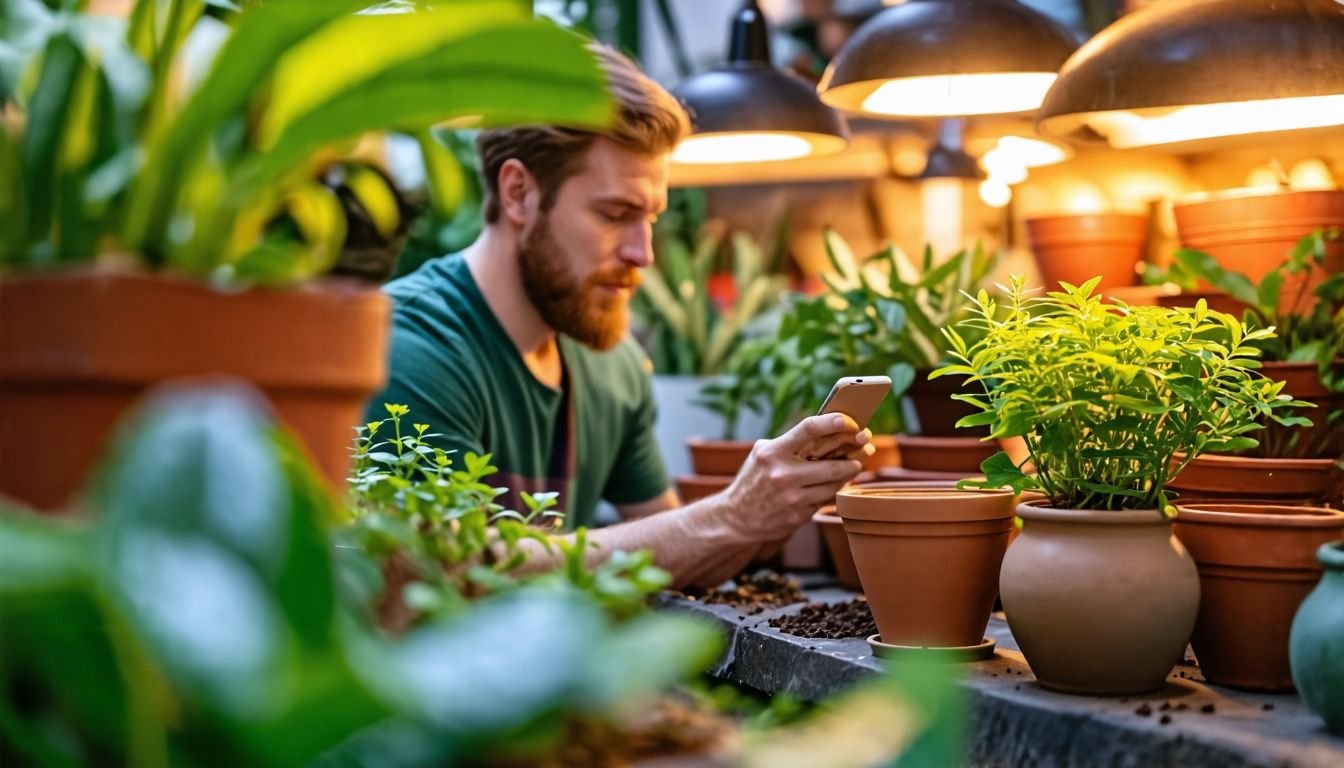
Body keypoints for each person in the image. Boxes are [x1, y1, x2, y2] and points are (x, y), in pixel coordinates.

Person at [368, 44, 871, 588]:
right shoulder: (407, 348)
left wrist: (767, 511)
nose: (643, 253)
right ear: (519, 193)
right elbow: (448, 573)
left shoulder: (611, 360)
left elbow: (665, 557)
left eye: (650, 217)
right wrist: (731, 514)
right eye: (615, 213)